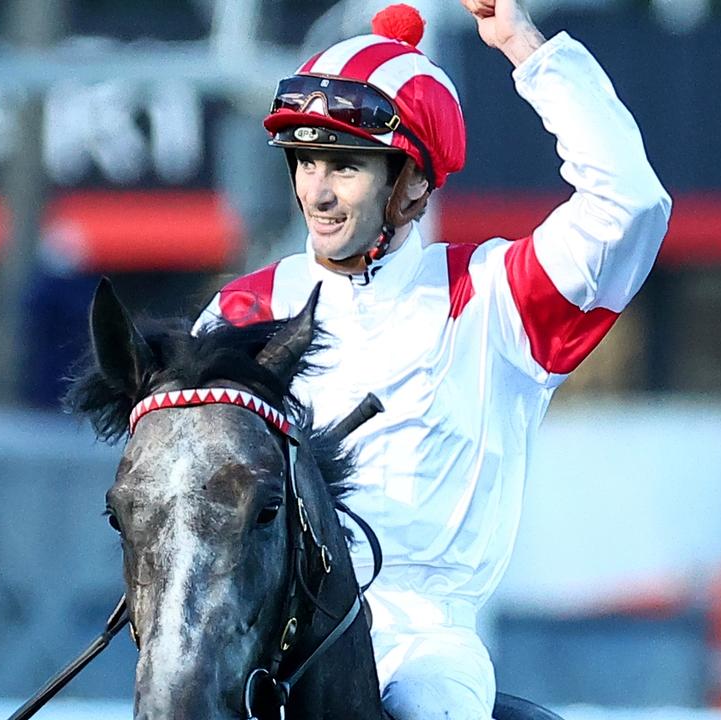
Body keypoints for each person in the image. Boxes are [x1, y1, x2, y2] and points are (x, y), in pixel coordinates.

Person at [196, 1, 671, 718]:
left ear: (413, 183)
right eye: (307, 160)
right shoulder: (238, 313)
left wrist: (522, 44)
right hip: (261, 626)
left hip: (422, 640)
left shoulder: (494, 298)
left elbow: (630, 204)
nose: (316, 192)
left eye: (346, 167)